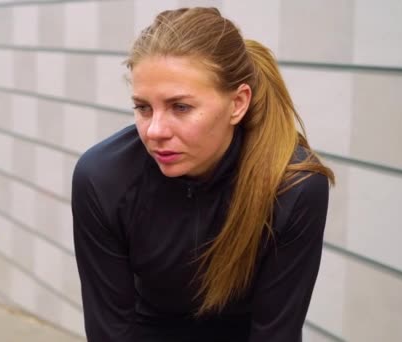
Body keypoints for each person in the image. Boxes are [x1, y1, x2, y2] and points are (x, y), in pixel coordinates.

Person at [72, 7, 335, 342]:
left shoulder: (292, 185)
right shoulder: (103, 178)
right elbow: (110, 332)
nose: (155, 131)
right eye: (143, 107)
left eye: (180, 107)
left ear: (238, 103)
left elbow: (276, 334)